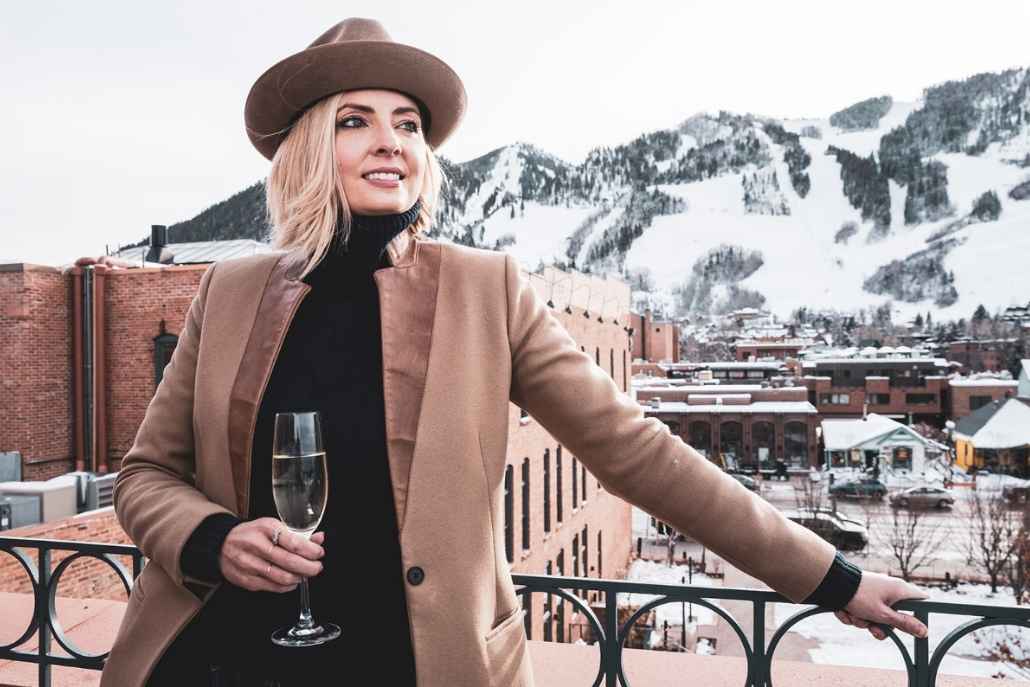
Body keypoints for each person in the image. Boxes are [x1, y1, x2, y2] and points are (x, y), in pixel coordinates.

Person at [101, 17, 929, 687]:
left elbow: (633, 450)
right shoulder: (230, 289)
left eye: (409, 125)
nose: (391, 141)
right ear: (311, 148)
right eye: (356, 121)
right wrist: (212, 538)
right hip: (222, 658)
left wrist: (832, 579)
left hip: (415, 665)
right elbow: (145, 475)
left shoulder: (485, 287)